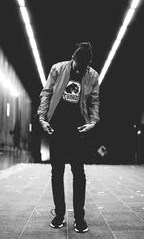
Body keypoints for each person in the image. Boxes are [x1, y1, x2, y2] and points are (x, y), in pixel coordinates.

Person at [37, 42, 100, 233]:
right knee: (57, 172)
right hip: (57, 127)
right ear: (73, 58)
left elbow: (94, 100)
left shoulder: (92, 75)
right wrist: (41, 117)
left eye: (83, 68)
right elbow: (46, 93)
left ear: (87, 65)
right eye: (77, 66)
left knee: (78, 173)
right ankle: (59, 215)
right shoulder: (58, 69)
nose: (79, 70)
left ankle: (79, 218)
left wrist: (93, 122)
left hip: (78, 130)